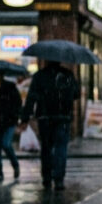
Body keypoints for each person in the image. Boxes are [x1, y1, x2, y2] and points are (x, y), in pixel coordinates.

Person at [20, 60, 80, 190]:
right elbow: (76, 94)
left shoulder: (39, 76)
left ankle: (46, 178)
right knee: (61, 148)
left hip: (45, 117)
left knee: (46, 148)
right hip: (63, 116)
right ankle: (58, 179)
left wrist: (25, 118)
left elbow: (31, 98)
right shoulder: (68, 75)